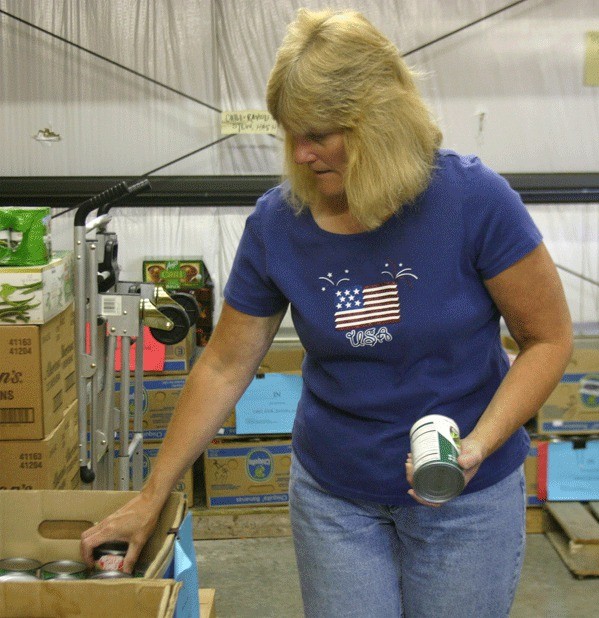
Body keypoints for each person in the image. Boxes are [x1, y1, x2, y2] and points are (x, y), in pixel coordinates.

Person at [81, 8, 573, 617]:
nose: (302, 153)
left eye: (320, 133)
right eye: (289, 133)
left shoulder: (474, 201)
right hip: (337, 499)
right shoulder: (277, 223)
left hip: (465, 498)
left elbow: (547, 340)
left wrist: (477, 445)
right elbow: (223, 368)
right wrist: (153, 495)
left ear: (380, 122)